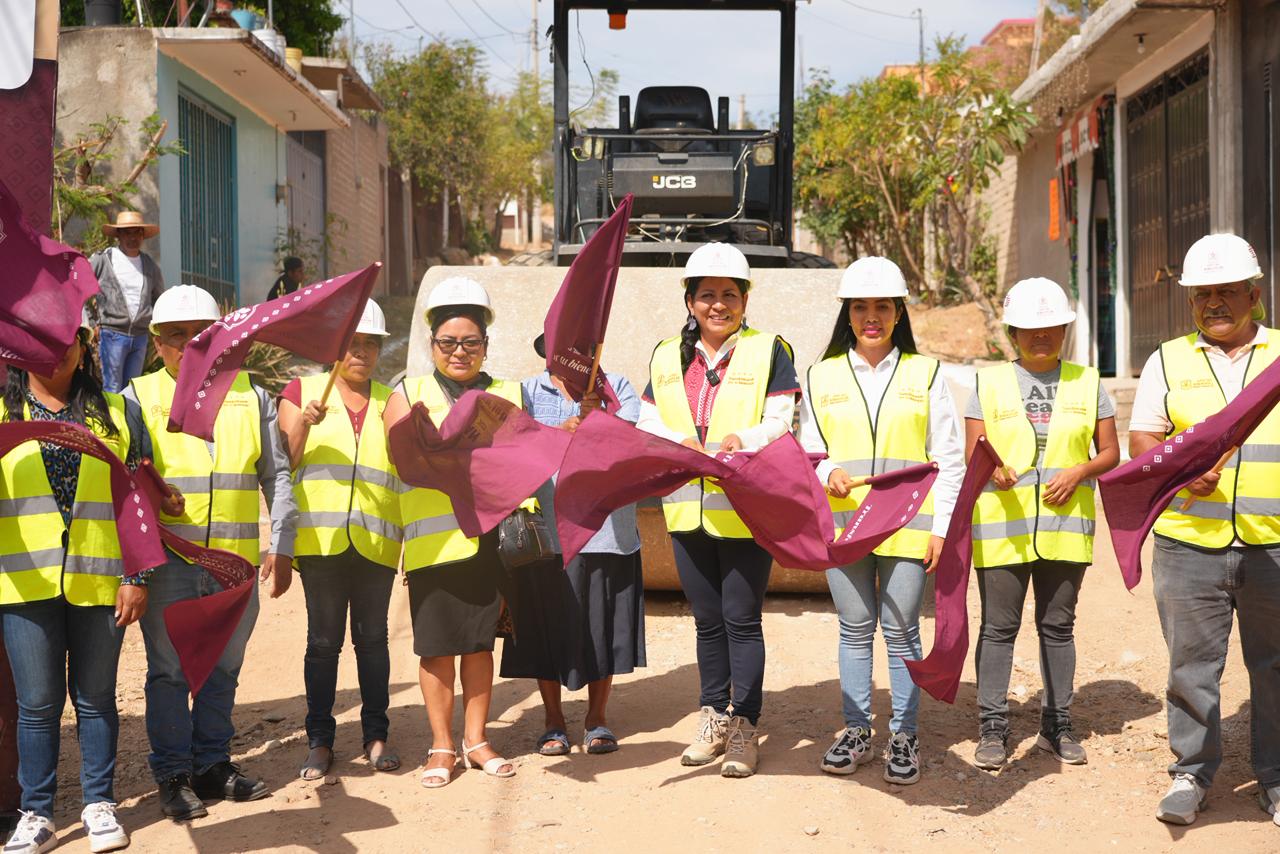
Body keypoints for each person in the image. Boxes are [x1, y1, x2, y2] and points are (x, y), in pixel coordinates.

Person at [0, 325, 177, 853]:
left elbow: (138, 501)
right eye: (39, 343)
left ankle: (99, 804)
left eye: (65, 342)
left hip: (102, 579)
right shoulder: (4, 414)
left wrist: (136, 576)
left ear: (84, 346)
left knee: (96, 699)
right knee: (36, 704)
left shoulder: (119, 413)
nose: (55, 355)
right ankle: (36, 813)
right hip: (21, 579)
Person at [124, 285, 296, 821]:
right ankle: (173, 775)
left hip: (235, 564)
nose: (189, 345)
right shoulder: (135, 397)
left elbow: (278, 474)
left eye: (201, 335)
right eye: (176, 336)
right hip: (171, 563)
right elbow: (127, 486)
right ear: (156, 344)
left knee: (224, 667)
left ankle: (213, 765)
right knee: (171, 672)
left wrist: (282, 544)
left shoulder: (253, 395)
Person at [1128, 233, 1280, 827]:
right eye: (1202, 295)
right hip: (1189, 542)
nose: (1214, 303)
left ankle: (1274, 776)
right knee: (1191, 667)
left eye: (1226, 292)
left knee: (1275, 665)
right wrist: (1182, 469)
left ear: (1253, 293)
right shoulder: (1167, 359)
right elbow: (1143, 439)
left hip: (1273, 540)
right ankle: (1191, 773)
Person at [635, 242, 800, 778]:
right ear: (690, 300)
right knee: (707, 622)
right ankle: (713, 717)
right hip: (686, 509)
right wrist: (679, 441)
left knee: (741, 619)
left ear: (746, 299)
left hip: (744, 506)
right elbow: (646, 420)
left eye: (730, 294)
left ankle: (745, 726)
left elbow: (781, 418)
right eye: (707, 295)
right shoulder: (665, 354)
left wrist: (740, 439)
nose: (718, 305)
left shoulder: (769, 349)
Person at [797, 257, 964, 785]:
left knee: (901, 630)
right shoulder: (820, 375)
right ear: (847, 313)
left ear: (899, 313)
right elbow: (810, 450)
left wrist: (942, 529)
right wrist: (831, 472)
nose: (872, 317)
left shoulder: (927, 372)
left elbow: (949, 457)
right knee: (854, 629)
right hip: (845, 526)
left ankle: (905, 735)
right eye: (861, 307)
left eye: (882, 307)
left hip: (910, 526)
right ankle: (856, 730)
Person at [965, 277, 1118, 772]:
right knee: (998, 627)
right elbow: (974, 451)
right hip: (1001, 523)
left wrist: (1080, 471)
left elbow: (1111, 452)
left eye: (1050, 327)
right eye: (1029, 329)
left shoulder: (1089, 381)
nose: (1040, 336)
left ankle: (1058, 723)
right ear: (1012, 332)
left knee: (1058, 626)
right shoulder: (987, 382)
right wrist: (994, 468)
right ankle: (993, 726)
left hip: (1065, 525)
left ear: (1064, 329)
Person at [383, 277, 521, 788]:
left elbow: (518, 460)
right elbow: (399, 459)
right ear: (432, 344)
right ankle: (441, 746)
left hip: (488, 540)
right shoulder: (407, 392)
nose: (460, 351)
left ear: (486, 344)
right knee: (437, 648)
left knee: (479, 644)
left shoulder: (506, 392)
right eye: (448, 342)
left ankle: (477, 740)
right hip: (433, 542)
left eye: (471, 342)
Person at [499, 333, 647, 756]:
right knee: (546, 629)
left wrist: (599, 415)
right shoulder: (525, 392)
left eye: (584, 348)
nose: (576, 356)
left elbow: (630, 445)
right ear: (548, 351)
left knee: (601, 631)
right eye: (565, 347)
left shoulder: (617, 387)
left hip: (605, 533)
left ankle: (597, 719)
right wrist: (558, 432)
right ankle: (553, 720)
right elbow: (511, 447)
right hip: (544, 537)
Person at [277, 299, 402, 781]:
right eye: (354, 343)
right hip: (322, 542)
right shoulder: (301, 390)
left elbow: (405, 469)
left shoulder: (392, 399)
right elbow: (283, 465)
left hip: (376, 541)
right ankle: (320, 741)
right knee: (323, 643)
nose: (363, 353)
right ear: (335, 348)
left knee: (373, 642)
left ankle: (376, 735)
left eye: (371, 344)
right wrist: (304, 424)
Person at [88, 211, 166, 393]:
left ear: (142, 235)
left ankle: (129, 422)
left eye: (137, 232)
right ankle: (112, 422)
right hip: (112, 333)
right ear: (119, 235)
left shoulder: (150, 265)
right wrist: (92, 322)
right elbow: (81, 288)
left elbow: (159, 299)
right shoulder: (104, 259)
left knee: (132, 389)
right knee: (112, 388)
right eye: (127, 232)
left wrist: (158, 329)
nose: (132, 237)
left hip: (139, 336)